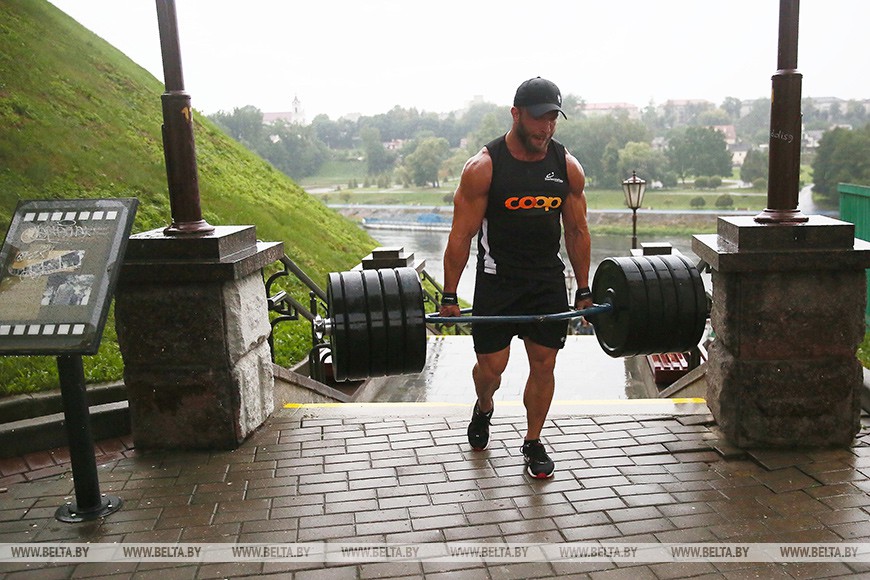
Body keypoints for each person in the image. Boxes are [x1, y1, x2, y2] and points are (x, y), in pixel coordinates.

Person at [439, 77, 592, 479]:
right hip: (498, 281)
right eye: (539, 118)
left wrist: (584, 289)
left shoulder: (567, 167)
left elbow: (577, 232)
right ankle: (484, 406)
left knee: (544, 364)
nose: (546, 127)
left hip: (546, 283)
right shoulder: (483, 168)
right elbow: (461, 235)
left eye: (553, 118)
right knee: (492, 370)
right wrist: (450, 295)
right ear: (516, 114)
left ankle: (533, 440)